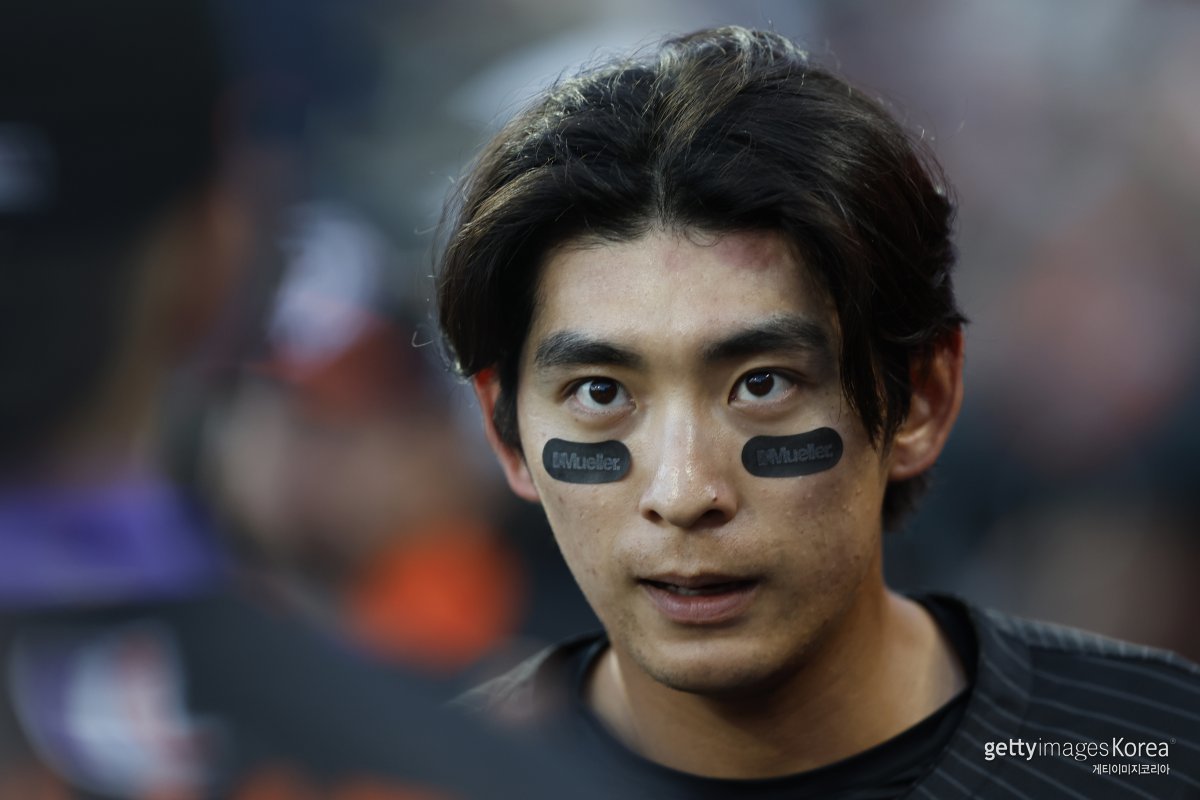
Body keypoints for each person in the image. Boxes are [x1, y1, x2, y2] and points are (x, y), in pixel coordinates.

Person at [437, 26, 1200, 798]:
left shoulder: (1149, 755)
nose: (684, 491)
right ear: (508, 431)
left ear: (923, 399)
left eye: (762, 384)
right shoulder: (419, 780)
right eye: (600, 393)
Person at [0, 2, 605, 797]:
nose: (320, 450)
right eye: (308, 413)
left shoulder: (510, 648)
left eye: (357, 413)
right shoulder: (446, 764)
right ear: (221, 239)